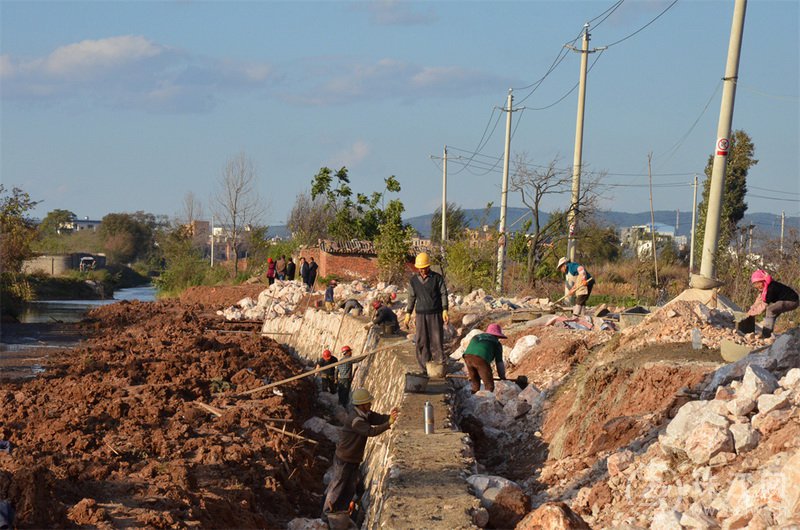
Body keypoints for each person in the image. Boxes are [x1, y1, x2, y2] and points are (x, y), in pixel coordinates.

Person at [322, 388, 398, 523]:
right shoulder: (356, 420)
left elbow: (376, 418)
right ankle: (326, 514)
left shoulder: (364, 414)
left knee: (350, 487)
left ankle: (342, 511)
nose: (370, 405)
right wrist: (388, 424)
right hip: (344, 458)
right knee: (337, 485)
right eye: (368, 403)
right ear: (361, 405)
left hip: (352, 458)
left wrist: (389, 417)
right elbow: (370, 431)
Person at [403, 252, 449, 375]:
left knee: (436, 341)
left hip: (435, 314)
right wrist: (408, 313)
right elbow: (411, 297)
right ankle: (424, 368)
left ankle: (439, 367)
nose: (422, 270)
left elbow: (444, 293)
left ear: (428, 266)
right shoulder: (413, 281)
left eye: (424, 268)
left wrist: (445, 309)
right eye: (420, 268)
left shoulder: (437, 278)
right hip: (420, 315)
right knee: (421, 341)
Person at [746, 269, 799, 338]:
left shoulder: (771, 288)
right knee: (772, 313)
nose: (756, 286)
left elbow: (763, 306)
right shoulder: (765, 289)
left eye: (757, 283)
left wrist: (751, 314)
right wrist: (751, 308)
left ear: (763, 281)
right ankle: (768, 334)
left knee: (770, 310)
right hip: (784, 301)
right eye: (755, 284)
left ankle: (766, 335)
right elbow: (759, 300)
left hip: (792, 301)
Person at [462, 323, 508, 394]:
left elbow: (471, 351)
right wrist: (502, 377)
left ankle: (473, 400)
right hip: (481, 359)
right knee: (489, 386)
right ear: (497, 335)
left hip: (467, 357)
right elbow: (499, 362)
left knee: (475, 384)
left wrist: (471, 374)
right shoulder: (496, 343)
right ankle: (486, 402)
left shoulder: (476, 336)